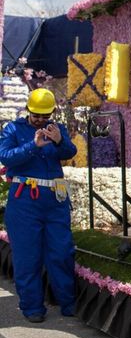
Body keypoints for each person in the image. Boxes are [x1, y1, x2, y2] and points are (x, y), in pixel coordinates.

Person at [0, 88, 77, 323]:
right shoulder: (13, 129)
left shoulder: (57, 128)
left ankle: (67, 302)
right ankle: (32, 306)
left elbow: (70, 151)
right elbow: (5, 157)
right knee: (27, 255)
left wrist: (60, 140)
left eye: (46, 115)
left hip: (55, 199)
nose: (41, 120)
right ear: (28, 110)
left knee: (62, 251)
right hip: (24, 199)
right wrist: (33, 145)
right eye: (37, 116)